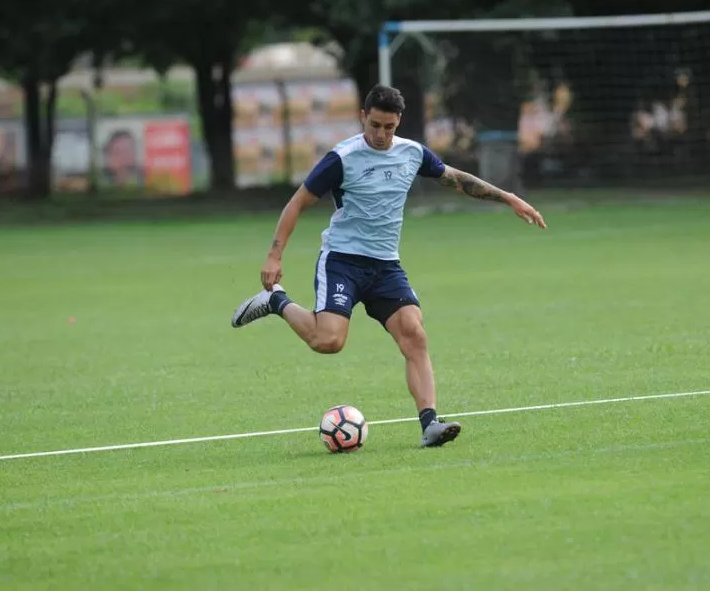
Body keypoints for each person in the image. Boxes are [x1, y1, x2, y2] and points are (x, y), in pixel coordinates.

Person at [231, 84, 547, 447]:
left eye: (389, 127)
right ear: (363, 117)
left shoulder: (411, 153)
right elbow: (297, 203)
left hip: (385, 266)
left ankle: (430, 424)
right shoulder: (342, 157)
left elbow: (456, 179)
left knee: (414, 334)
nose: (381, 135)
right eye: (375, 125)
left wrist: (509, 198)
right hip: (343, 262)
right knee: (328, 341)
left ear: (399, 123)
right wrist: (274, 254)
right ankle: (277, 303)